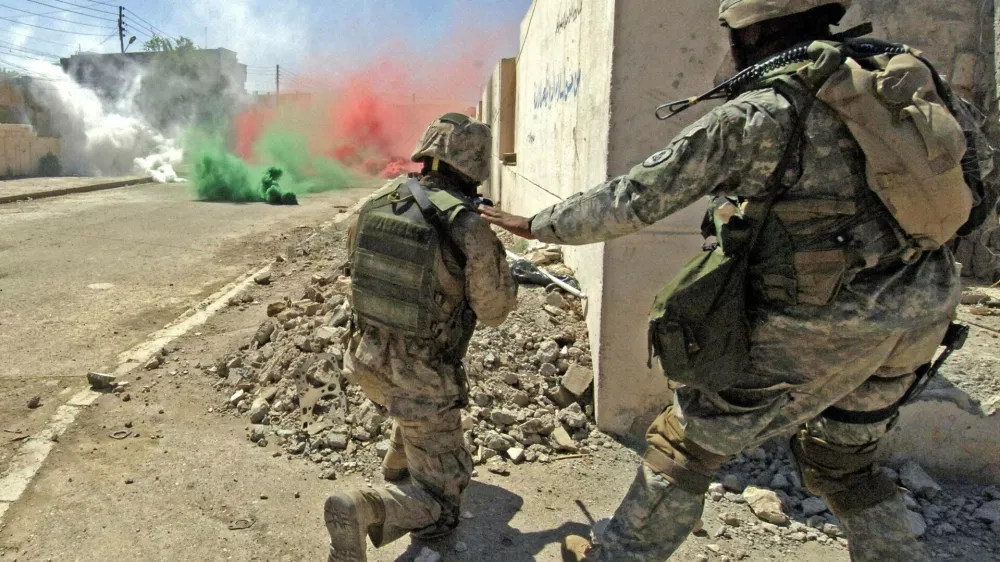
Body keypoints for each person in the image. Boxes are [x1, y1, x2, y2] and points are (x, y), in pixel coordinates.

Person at [479, 1, 992, 561]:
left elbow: (635, 198)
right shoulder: (899, 80)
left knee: (684, 450)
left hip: (824, 323)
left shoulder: (762, 113)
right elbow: (979, 169)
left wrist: (537, 224)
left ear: (752, 31)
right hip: (924, 311)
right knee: (842, 464)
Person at [326, 113, 517, 562]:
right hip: (421, 382)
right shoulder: (467, 226)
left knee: (412, 411)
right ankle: (364, 508)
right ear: (474, 165)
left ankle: (400, 465)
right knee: (442, 512)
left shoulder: (375, 202)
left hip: (366, 363)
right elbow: (495, 312)